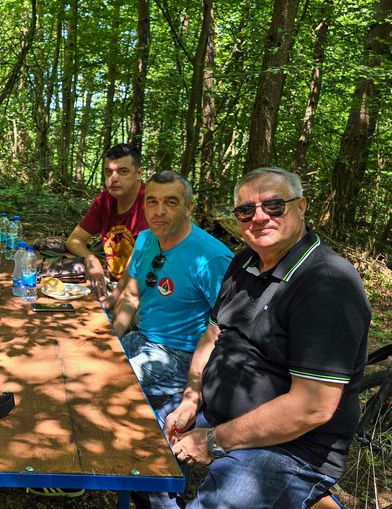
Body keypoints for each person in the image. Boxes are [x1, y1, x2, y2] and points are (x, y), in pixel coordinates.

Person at [133, 167, 371, 509]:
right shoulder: (245, 261)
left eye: (273, 205)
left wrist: (214, 441)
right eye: (246, 210)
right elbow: (212, 335)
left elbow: (311, 407)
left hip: (291, 446)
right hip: (214, 413)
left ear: (301, 206)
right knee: (138, 447)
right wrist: (190, 399)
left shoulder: (328, 284)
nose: (259, 217)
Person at [110, 171, 232, 403]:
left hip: (181, 355)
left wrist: (196, 388)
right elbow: (130, 297)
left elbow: (226, 328)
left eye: (171, 202)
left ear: (188, 207)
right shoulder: (145, 239)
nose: (159, 211)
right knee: (88, 361)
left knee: (110, 379)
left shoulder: (212, 258)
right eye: (152, 201)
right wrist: (111, 341)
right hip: (142, 337)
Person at [66, 143, 148, 294]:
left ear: (139, 173)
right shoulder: (104, 201)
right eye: (108, 172)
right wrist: (90, 258)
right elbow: (74, 240)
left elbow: (143, 262)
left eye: (123, 171)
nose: (114, 178)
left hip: (145, 294)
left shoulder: (151, 204)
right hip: (116, 287)